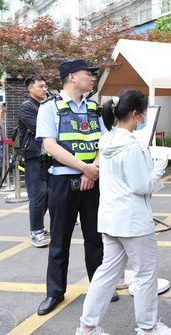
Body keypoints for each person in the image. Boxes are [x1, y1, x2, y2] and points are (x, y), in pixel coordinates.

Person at [76, 89, 171, 335]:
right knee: (145, 275)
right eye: (143, 112)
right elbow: (142, 185)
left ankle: (87, 327)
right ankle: (147, 328)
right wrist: (159, 167)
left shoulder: (106, 140)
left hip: (110, 218)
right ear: (135, 114)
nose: (144, 117)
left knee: (106, 273)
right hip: (134, 220)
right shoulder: (131, 146)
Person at [36, 59, 113, 316]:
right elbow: (51, 146)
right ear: (71, 77)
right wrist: (85, 168)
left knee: (96, 238)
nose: (92, 78)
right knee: (59, 240)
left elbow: (105, 142)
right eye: (87, 74)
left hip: (93, 179)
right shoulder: (50, 107)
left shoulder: (95, 107)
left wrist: (93, 169)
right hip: (62, 181)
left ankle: (100, 287)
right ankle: (54, 292)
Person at [18, 74, 50, 247]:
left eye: (45, 86)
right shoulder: (26, 107)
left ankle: (40, 226)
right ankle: (35, 232)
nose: (44, 89)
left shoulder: (47, 105)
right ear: (30, 88)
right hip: (34, 156)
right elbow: (41, 128)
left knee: (48, 195)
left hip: (49, 156)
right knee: (37, 195)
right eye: (40, 86)